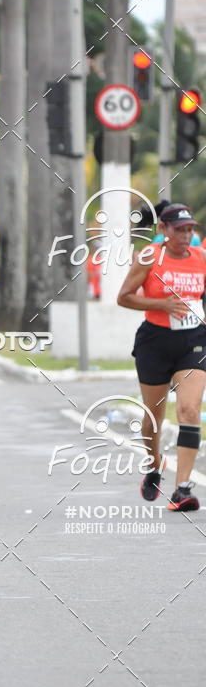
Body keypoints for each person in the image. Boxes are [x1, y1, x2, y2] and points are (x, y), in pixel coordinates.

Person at [117, 203, 206, 511]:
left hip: (193, 341)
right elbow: (124, 297)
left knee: (189, 410)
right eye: (179, 229)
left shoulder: (201, 259)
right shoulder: (150, 257)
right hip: (155, 342)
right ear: (163, 230)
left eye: (190, 229)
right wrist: (162, 305)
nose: (185, 235)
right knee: (152, 419)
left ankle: (182, 489)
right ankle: (154, 467)